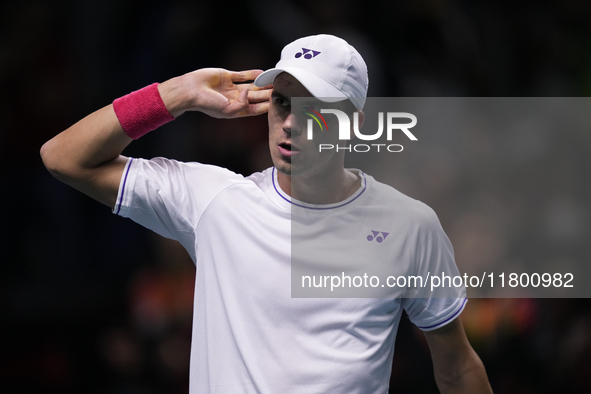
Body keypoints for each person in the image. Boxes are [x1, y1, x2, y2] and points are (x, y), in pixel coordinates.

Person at [41, 34, 493, 393]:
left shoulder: (410, 226)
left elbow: (456, 371)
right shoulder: (215, 201)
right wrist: (175, 94)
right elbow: (64, 157)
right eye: (282, 102)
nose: (292, 122)